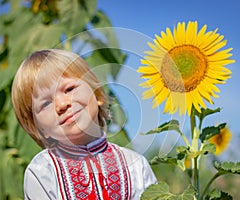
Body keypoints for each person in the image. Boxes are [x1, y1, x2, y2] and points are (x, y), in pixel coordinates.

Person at [11, 49, 157, 200]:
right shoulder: (42, 171)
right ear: (38, 128)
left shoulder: (135, 165)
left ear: (97, 94)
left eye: (69, 89)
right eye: (46, 103)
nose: (62, 104)